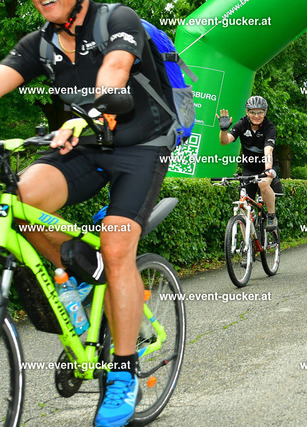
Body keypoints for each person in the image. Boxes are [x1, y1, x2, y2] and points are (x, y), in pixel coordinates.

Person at [0, 1, 177, 425]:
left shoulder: (117, 20)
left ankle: (123, 372)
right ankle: (82, 271)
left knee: (117, 249)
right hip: (83, 146)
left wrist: (94, 111)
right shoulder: (39, 44)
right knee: (17, 203)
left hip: (143, 148)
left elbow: (115, 69)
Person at [217, 96, 281, 230]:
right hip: (249, 168)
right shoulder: (242, 124)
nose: (256, 116)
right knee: (244, 208)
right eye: (253, 112)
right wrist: (223, 130)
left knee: (263, 184)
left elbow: (268, 150)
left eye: (260, 112)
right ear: (247, 112)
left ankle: (271, 215)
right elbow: (225, 141)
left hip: (267, 166)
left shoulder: (269, 127)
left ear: (265, 112)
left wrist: (267, 170)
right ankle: (246, 241)